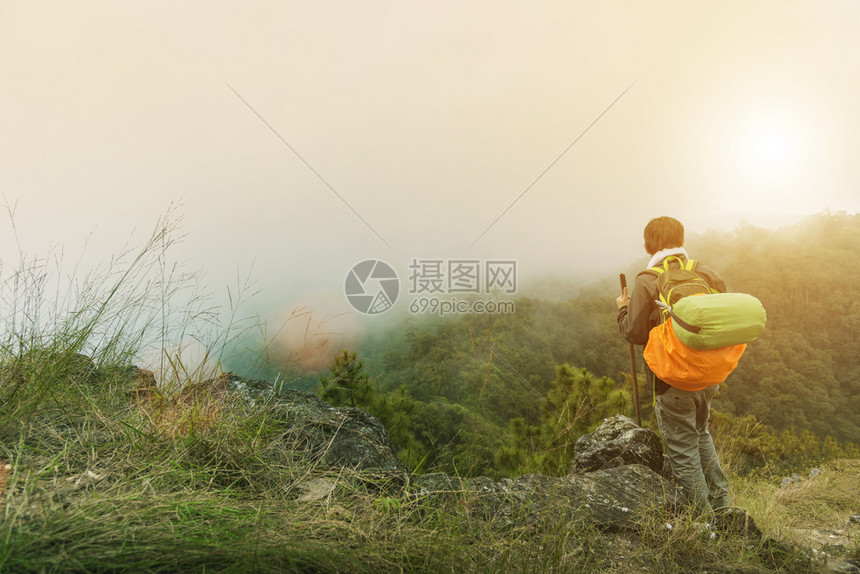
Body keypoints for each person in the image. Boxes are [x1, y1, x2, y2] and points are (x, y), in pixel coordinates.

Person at [616, 216, 730, 522]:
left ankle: (705, 524)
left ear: (647, 245)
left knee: (681, 448)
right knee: (700, 433)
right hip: (709, 375)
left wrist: (623, 308)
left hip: (672, 381)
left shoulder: (646, 280)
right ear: (682, 239)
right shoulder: (704, 272)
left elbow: (634, 333)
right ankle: (722, 507)